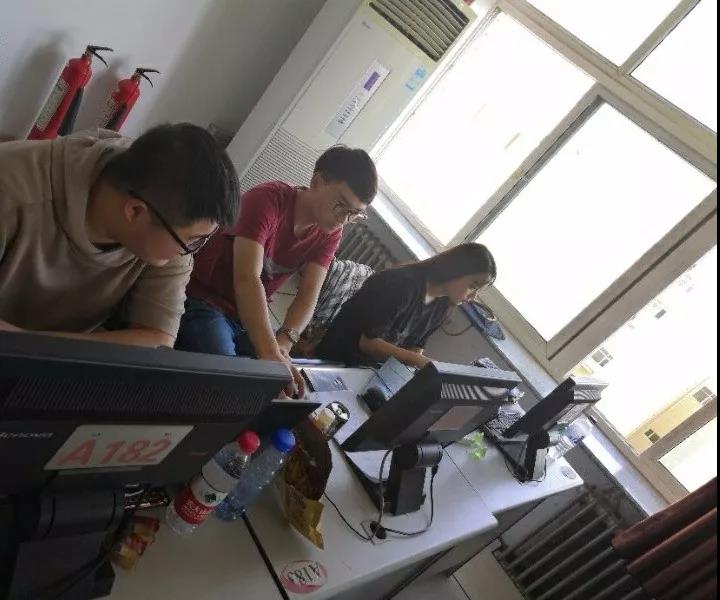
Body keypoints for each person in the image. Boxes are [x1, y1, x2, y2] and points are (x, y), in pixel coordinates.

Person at [0, 124, 239, 348]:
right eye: (191, 240)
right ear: (135, 211)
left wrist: (24, 343)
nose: (190, 251)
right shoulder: (12, 191)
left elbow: (156, 340)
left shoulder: (166, 222)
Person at [175, 145, 377, 394]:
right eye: (341, 205)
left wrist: (283, 343)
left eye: (353, 214)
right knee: (228, 382)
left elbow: (308, 295)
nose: (343, 220)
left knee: (281, 384)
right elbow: (247, 279)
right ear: (316, 182)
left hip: (244, 317)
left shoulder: (329, 233)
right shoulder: (268, 199)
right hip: (203, 300)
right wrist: (269, 352)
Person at [316, 243, 497, 368]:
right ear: (456, 270)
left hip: (371, 368)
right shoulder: (402, 284)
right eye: (473, 285)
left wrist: (416, 361)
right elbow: (368, 343)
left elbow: (415, 346)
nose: (473, 296)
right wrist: (419, 361)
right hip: (339, 359)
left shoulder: (442, 304)